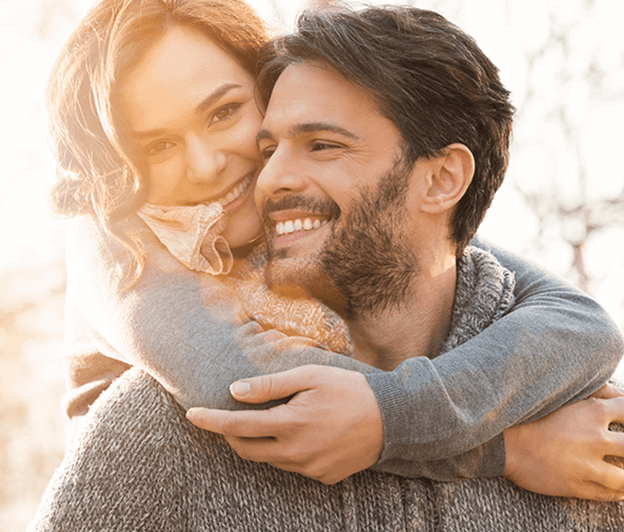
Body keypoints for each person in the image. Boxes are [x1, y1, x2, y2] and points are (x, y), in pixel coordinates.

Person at [28, 5, 624, 529]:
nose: (207, 164)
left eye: (224, 112)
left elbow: (573, 318)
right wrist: (506, 451)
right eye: (156, 145)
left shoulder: (313, 207)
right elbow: (244, 389)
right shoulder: (120, 247)